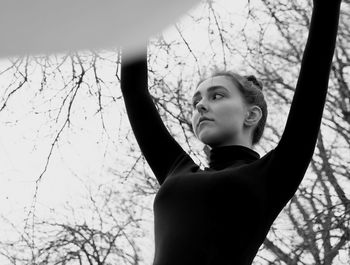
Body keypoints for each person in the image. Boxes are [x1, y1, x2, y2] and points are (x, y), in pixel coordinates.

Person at [120, 0, 342, 264]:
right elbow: (134, 90)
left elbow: (314, 78)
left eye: (217, 96)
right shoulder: (176, 169)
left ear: (251, 114)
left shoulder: (271, 175)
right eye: (196, 101)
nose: (201, 105)